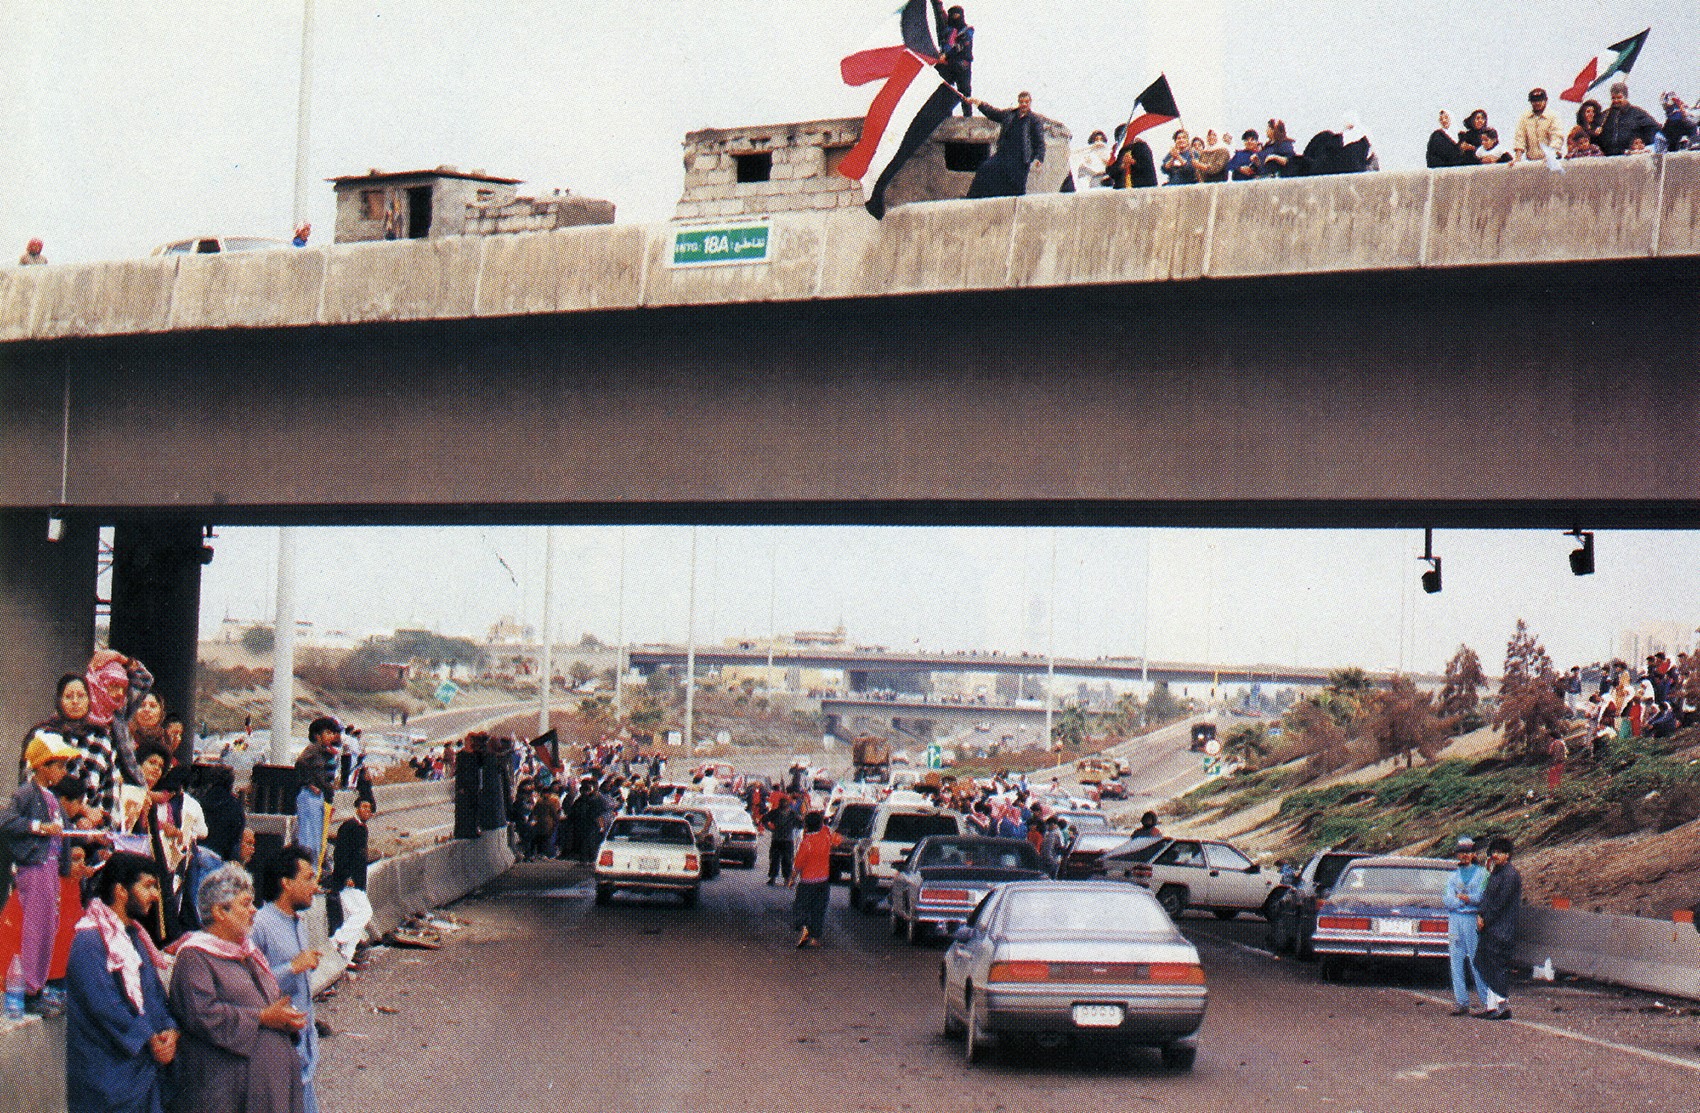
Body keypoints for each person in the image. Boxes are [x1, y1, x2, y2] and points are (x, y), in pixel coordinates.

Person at [169, 863, 308, 1113]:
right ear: (220, 911)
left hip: (269, 1085)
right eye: (246, 904)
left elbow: (271, 1000)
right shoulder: (195, 957)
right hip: (231, 1094)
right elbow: (202, 1015)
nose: (254, 911)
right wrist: (262, 1018)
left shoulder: (249, 953)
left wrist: (287, 1018)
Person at [64, 851, 177, 1113]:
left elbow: (155, 996)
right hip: (107, 1083)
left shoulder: (134, 938)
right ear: (121, 890)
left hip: (143, 1076)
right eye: (148, 886)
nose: (155, 896)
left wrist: (170, 1030)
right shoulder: (88, 941)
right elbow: (105, 1007)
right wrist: (149, 1038)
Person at [1, 732, 91, 1015]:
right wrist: (39, 828)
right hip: (35, 868)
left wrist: (91, 839)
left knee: (48, 928)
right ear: (42, 766)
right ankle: (27, 988)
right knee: (35, 929)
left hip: (51, 868)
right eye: (59, 765)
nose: (62, 772)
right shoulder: (27, 793)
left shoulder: (51, 798)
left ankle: (38, 986)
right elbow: (6, 820)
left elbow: (64, 832)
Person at [251, 847, 324, 1113]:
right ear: (286, 882)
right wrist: (292, 968)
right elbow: (249, 984)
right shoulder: (259, 925)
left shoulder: (298, 922)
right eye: (308, 878)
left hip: (304, 1045)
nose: (315, 887)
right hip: (278, 1049)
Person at [1473, 836, 1522, 1020]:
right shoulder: (1497, 872)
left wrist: (1485, 918)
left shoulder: (1509, 875)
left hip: (1501, 929)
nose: (1495, 855)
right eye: (1493, 852)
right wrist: (1480, 914)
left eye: (1500, 852)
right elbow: (1487, 897)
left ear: (1508, 855)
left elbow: (1500, 903)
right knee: (1483, 962)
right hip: (1491, 927)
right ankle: (1492, 1006)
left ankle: (1502, 1004)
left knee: (1496, 966)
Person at [964, 91, 1046, 199]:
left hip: (1020, 160)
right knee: (985, 170)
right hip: (1003, 155)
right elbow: (993, 113)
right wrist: (979, 103)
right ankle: (972, 199)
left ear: (1030, 103)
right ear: (1018, 102)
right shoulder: (1010, 114)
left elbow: (1040, 142)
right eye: (1022, 102)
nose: (1024, 104)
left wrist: (1039, 158)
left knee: (1016, 188)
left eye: (1026, 102)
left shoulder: (1035, 120)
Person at [1443, 836, 1487, 1016]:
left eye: (1468, 852)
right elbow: (1447, 899)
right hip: (1455, 919)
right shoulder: (1453, 876)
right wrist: (1463, 901)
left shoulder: (1483, 874)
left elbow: (1481, 897)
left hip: (1472, 919)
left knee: (1476, 960)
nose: (1464, 856)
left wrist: (1466, 898)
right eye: (1461, 852)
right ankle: (1461, 1001)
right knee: (1456, 959)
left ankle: (1485, 1000)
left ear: (1474, 854)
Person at [328, 798, 374, 962]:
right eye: (364, 806)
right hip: (347, 881)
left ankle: (346, 957)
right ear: (356, 808)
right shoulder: (349, 826)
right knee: (365, 912)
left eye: (369, 808)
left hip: (358, 882)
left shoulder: (362, 828)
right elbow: (340, 853)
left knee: (351, 919)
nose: (367, 810)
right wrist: (347, 876)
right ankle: (336, 940)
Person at [789, 811, 841, 948]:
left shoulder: (807, 843)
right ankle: (815, 938)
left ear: (806, 826)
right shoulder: (826, 837)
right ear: (820, 825)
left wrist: (792, 879)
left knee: (801, 908)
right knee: (818, 910)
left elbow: (798, 864)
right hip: (823, 882)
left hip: (807, 883)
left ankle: (805, 928)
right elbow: (838, 840)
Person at [293, 717, 340, 869]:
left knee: (316, 840)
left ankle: (312, 875)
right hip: (309, 797)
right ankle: (307, 874)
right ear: (317, 735)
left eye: (332, 733)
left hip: (317, 798)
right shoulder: (313, 749)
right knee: (309, 840)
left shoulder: (321, 751)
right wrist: (309, 783)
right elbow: (300, 764)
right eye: (327, 733)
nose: (331, 736)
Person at [931, 2, 973, 116]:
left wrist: (947, 55)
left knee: (965, 93)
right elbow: (939, 15)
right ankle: (945, 115)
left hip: (962, 65)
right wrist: (936, 3)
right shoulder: (947, 30)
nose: (955, 17)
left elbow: (961, 45)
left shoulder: (967, 30)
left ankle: (968, 117)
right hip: (947, 64)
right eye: (952, 15)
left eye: (957, 15)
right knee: (944, 90)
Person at [1598, 81, 1660, 156]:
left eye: (1619, 97)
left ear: (1625, 97)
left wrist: (1641, 143)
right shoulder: (1606, 116)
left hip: (1631, 157)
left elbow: (1655, 130)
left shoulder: (1637, 113)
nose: (1616, 101)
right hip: (1609, 158)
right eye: (1613, 98)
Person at [1514, 88, 1564, 162]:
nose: (1537, 103)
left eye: (1540, 100)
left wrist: (1550, 156)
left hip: (1551, 160)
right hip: (1532, 161)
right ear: (1530, 102)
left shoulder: (1553, 116)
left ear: (1546, 101)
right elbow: (1520, 138)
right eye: (1534, 100)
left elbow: (1557, 137)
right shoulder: (1524, 118)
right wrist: (1517, 158)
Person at [763, 793, 803, 885]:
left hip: (786, 840)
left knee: (786, 860)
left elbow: (800, 824)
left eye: (785, 803)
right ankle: (776, 878)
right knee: (776, 859)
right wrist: (769, 828)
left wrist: (769, 828)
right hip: (780, 839)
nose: (783, 805)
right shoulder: (776, 813)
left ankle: (786, 878)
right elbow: (764, 820)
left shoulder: (792, 814)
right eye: (782, 803)